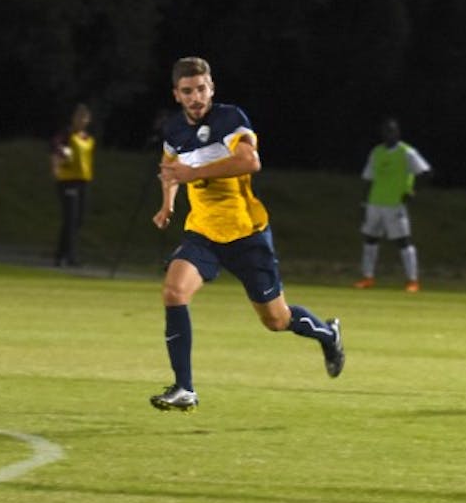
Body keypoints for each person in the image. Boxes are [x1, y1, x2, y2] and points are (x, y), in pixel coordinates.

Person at [149, 57, 344, 412]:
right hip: (203, 233)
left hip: (246, 233)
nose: (196, 97)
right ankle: (184, 388)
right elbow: (170, 169)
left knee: (276, 320)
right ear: (176, 94)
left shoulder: (229, 119)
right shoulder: (175, 130)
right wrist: (168, 204)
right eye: (188, 91)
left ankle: (328, 335)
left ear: (212, 88)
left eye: (202, 89)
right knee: (174, 292)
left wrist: (194, 174)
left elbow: (250, 161)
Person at [353, 118, 432, 292]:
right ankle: (367, 277)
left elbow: (425, 172)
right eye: (386, 131)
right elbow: (368, 178)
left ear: (398, 133)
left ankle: (413, 280)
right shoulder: (377, 152)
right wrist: (364, 202)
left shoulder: (407, 152)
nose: (389, 134)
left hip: (395, 204)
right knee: (370, 239)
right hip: (375, 202)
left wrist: (412, 192)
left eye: (392, 131)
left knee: (403, 241)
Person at [50, 103, 95, 267]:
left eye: (85, 117)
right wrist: (57, 166)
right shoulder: (67, 134)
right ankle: (68, 256)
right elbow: (57, 150)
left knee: (78, 220)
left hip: (83, 181)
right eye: (79, 117)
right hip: (68, 180)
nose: (82, 120)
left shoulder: (87, 137)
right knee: (70, 218)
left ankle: (61, 254)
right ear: (74, 118)